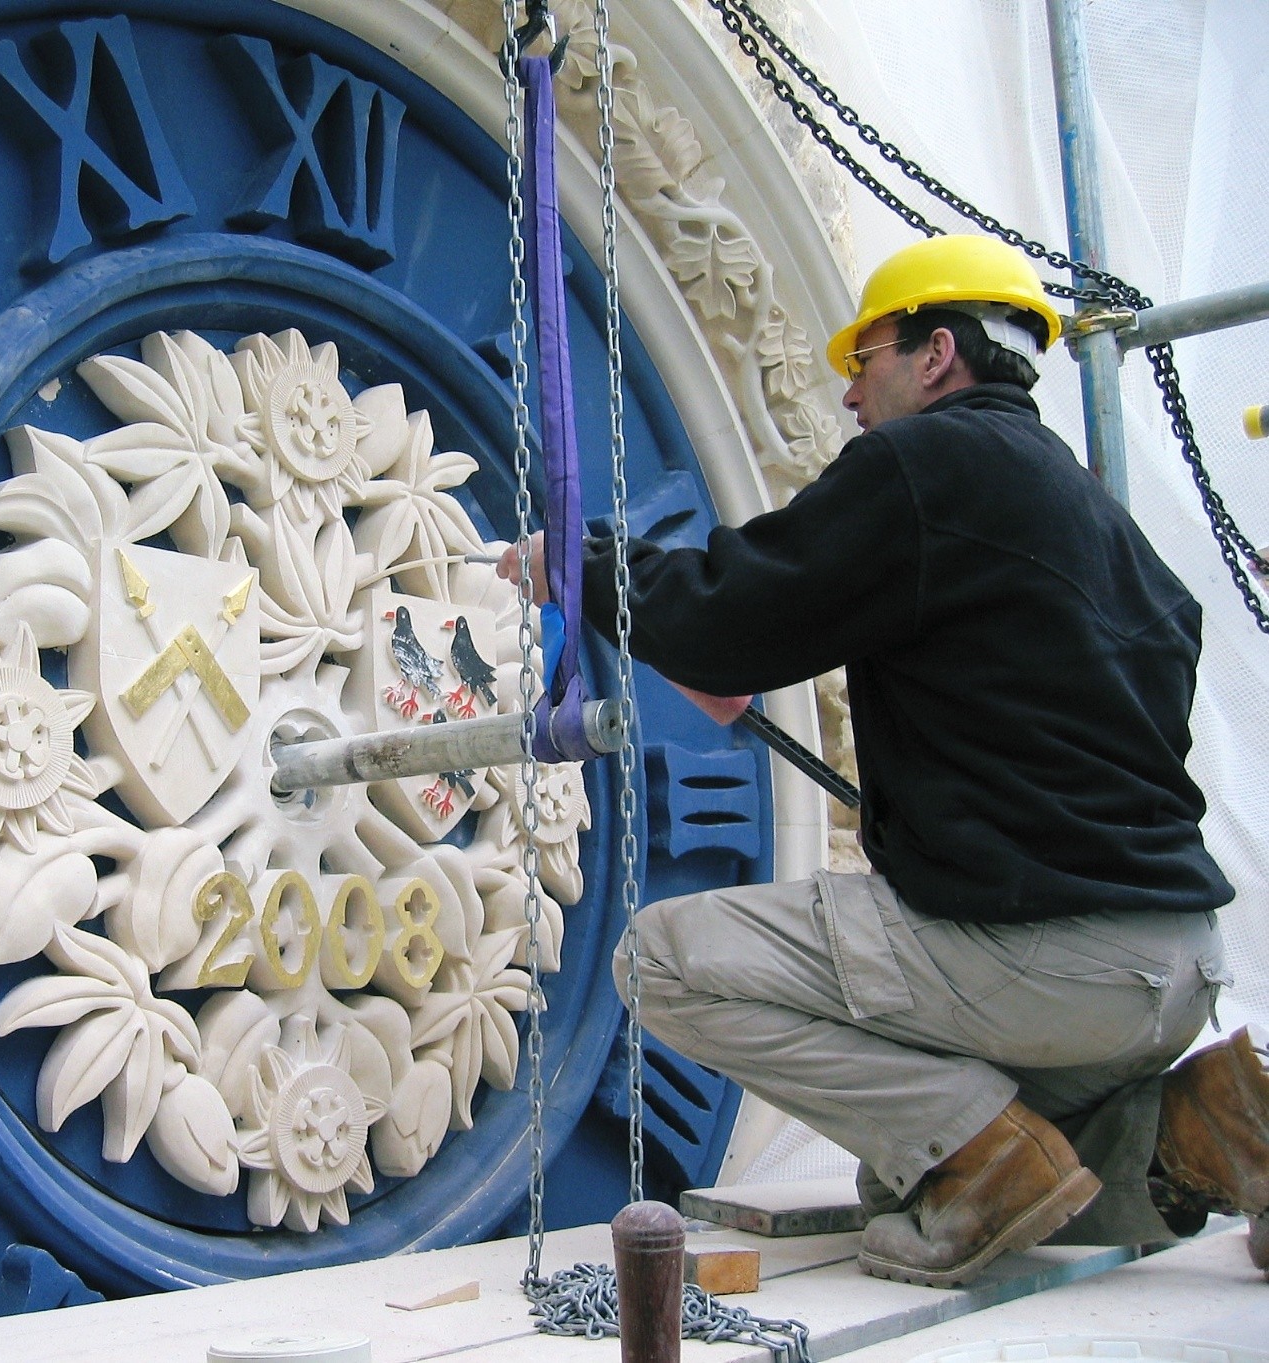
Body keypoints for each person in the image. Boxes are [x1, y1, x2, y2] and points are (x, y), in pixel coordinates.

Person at [497, 234, 1258, 1287]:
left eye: (865, 359)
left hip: (1045, 958)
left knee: (663, 961)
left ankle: (989, 1164)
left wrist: (582, 570)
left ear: (937, 353)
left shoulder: (925, 464)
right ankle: (1217, 1124)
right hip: (1177, 968)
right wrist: (734, 646)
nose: (851, 393)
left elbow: (735, 611)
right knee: (902, 1178)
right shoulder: (1094, 515)